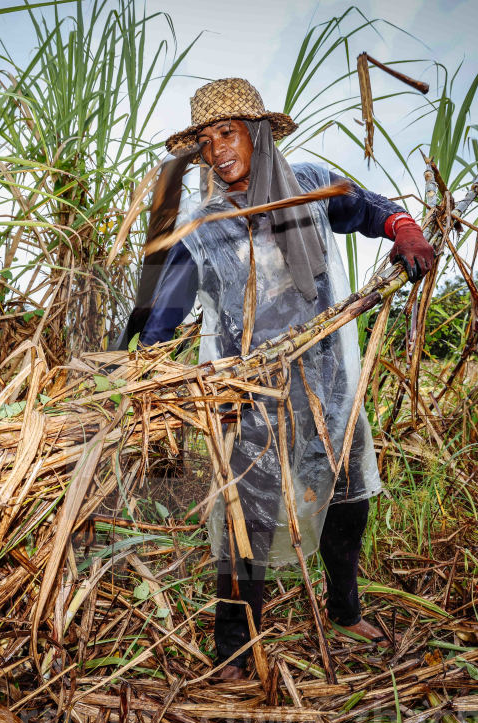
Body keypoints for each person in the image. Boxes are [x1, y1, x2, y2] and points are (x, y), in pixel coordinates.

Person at [135, 78, 435, 680]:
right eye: (204, 140)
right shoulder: (202, 225)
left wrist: (404, 229)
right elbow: (161, 314)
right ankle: (235, 646)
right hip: (247, 395)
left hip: (328, 380)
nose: (217, 149)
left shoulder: (310, 185)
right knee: (249, 514)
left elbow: (370, 208)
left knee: (349, 496)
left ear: (259, 134)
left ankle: (345, 610)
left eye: (228, 132)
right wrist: (148, 365)